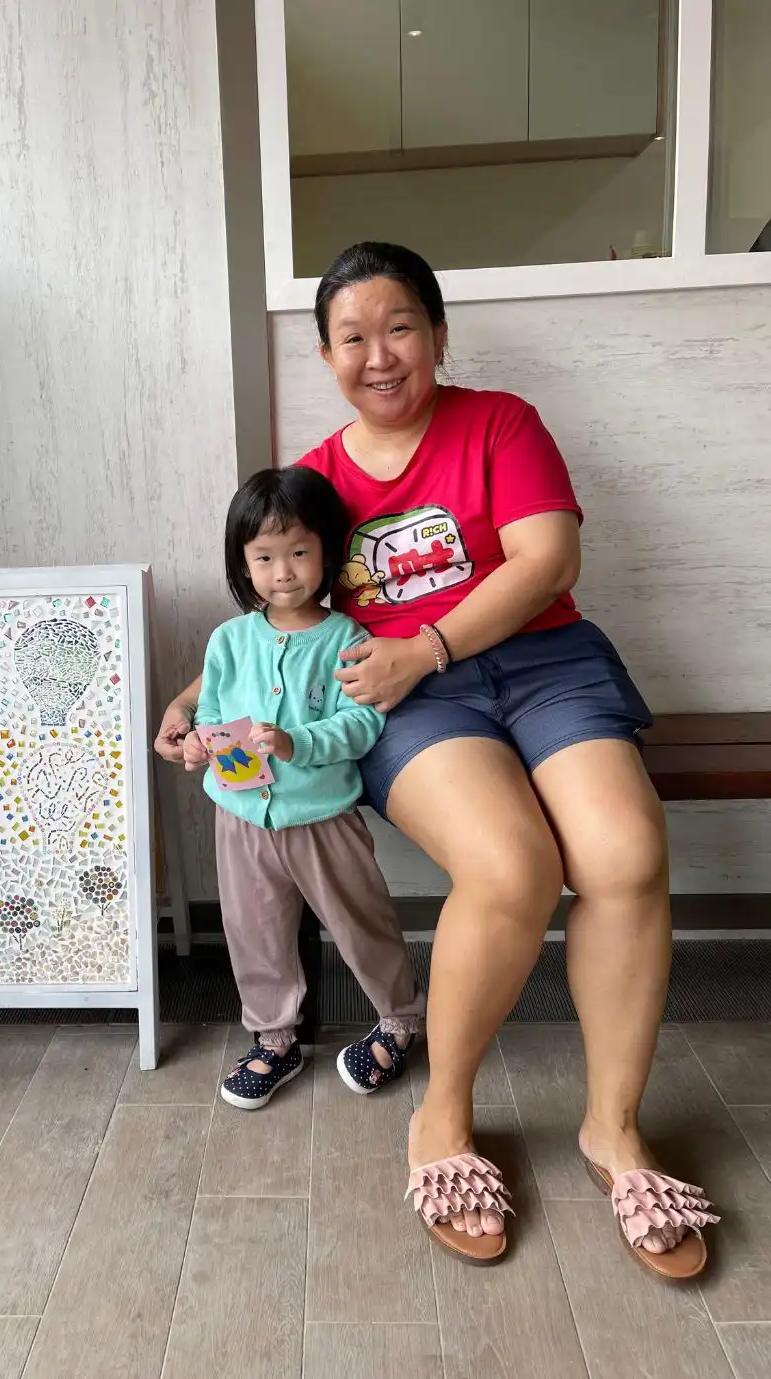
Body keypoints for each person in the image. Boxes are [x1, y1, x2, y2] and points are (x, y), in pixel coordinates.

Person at [156, 241, 718, 1279]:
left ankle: (613, 1127)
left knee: (626, 855)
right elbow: (274, 613)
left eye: (400, 326)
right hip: (404, 697)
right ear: (325, 356)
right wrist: (196, 697)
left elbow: (548, 556)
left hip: (542, 662)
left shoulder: (500, 420)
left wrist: (432, 641)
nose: (379, 353)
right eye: (352, 336)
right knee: (512, 867)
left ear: (439, 332)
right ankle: (444, 1116)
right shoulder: (314, 479)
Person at [180, 465, 425, 1110]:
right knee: (253, 930)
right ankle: (274, 1037)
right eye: (263, 557)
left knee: (361, 920)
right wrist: (203, 743)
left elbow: (364, 720)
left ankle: (399, 1017)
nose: (282, 571)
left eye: (297, 552)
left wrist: (299, 744)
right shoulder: (229, 640)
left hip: (322, 816)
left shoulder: (346, 638)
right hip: (240, 816)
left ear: (326, 552)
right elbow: (210, 710)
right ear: (243, 563)